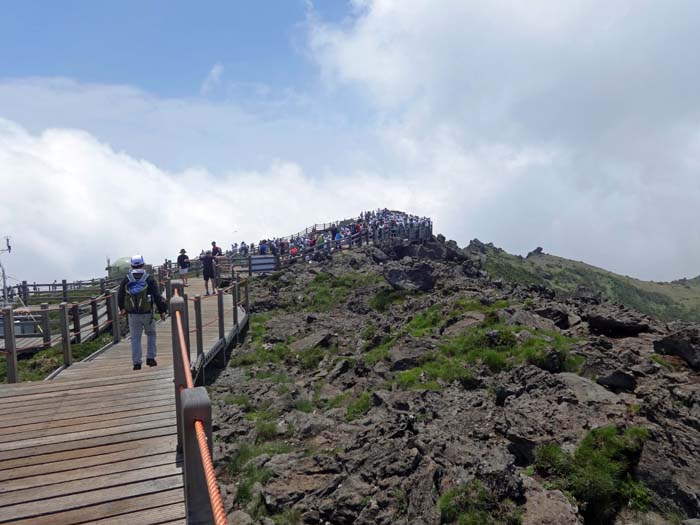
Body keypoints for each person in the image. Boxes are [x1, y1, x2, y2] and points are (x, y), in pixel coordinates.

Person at [118, 254, 168, 371]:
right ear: (143, 264)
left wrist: (122, 309)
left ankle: (136, 363)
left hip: (132, 314)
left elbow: (120, 295)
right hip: (147, 313)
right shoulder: (149, 278)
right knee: (151, 334)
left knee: (135, 338)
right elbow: (156, 296)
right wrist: (162, 311)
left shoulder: (127, 278)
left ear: (131, 265)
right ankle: (150, 358)